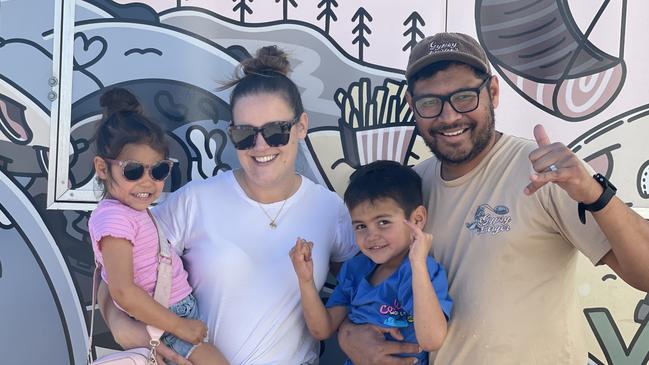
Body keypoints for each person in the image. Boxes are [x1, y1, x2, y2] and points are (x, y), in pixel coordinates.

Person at [338, 32, 649, 364]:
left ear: (493, 92)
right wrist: (347, 336)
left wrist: (594, 194)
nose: (449, 116)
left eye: (465, 96)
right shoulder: (410, 188)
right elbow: (369, 287)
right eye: (431, 103)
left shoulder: (546, 172)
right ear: (413, 107)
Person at [97, 46, 359, 365]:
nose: (260, 146)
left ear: (301, 126)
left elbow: (361, 288)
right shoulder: (195, 201)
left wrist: (359, 338)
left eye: (277, 131)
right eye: (245, 134)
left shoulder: (329, 210)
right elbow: (113, 268)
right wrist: (118, 323)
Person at [88, 88, 228, 365]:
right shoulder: (114, 219)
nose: (148, 182)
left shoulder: (131, 212)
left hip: (172, 312)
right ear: (102, 169)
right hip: (166, 316)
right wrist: (179, 325)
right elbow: (123, 291)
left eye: (159, 170)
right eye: (133, 170)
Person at [290, 160, 453, 365]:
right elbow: (321, 329)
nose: (371, 235)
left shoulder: (423, 271)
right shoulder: (354, 271)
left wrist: (418, 263)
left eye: (383, 222)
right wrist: (305, 281)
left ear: (417, 220)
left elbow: (432, 339)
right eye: (360, 226)